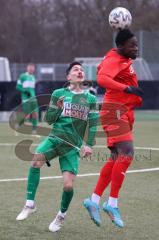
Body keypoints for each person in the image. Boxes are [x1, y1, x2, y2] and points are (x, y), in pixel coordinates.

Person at [16, 62, 98, 233]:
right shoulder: (58, 94)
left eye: (81, 70)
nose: (80, 71)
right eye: (76, 70)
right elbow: (50, 120)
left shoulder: (90, 98)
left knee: (68, 186)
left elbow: (92, 124)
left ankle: (61, 215)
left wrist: (89, 144)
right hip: (54, 139)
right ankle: (30, 204)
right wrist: (57, 108)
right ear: (68, 77)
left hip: (72, 147)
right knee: (35, 161)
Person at [83, 29, 143, 228]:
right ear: (121, 46)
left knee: (117, 157)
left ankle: (93, 199)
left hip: (121, 111)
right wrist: (126, 88)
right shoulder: (115, 57)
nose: (136, 48)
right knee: (127, 153)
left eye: (136, 44)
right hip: (114, 111)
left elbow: (105, 67)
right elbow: (102, 78)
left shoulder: (121, 57)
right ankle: (112, 203)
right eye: (132, 45)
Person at [16, 63, 38, 134]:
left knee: (35, 113)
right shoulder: (22, 76)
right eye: (30, 68)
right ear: (27, 68)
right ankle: (19, 124)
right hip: (25, 98)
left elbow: (32, 89)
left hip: (33, 98)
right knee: (27, 115)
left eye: (32, 68)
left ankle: (34, 129)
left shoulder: (33, 77)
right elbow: (18, 87)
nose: (31, 69)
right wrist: (25, 91)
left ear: (34, 69)